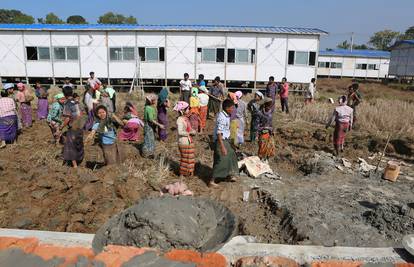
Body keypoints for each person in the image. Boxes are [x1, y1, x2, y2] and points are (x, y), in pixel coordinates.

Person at [209, 99, 239, 188]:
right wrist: (222, 147)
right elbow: (219, 133)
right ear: (227, 108)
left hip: (226, 140)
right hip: (221, 140)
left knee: (232, 155)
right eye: (232, 107)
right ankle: (212, 180)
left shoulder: (226, 115)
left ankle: (228, 175)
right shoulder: (221, 117)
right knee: (221, 159)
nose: (233, 109)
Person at [174, 101, 196, 177]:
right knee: (185, 159)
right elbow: (180, 132)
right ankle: (182, 174)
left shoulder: (185, 118)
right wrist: (189, 133)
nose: (189, 110)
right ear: (182, 110)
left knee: (190, 158)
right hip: (184, 142)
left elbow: (188, 129)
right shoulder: (179, 120)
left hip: (188, 141)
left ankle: (189, 173)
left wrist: (192, 131)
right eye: (187, 108)